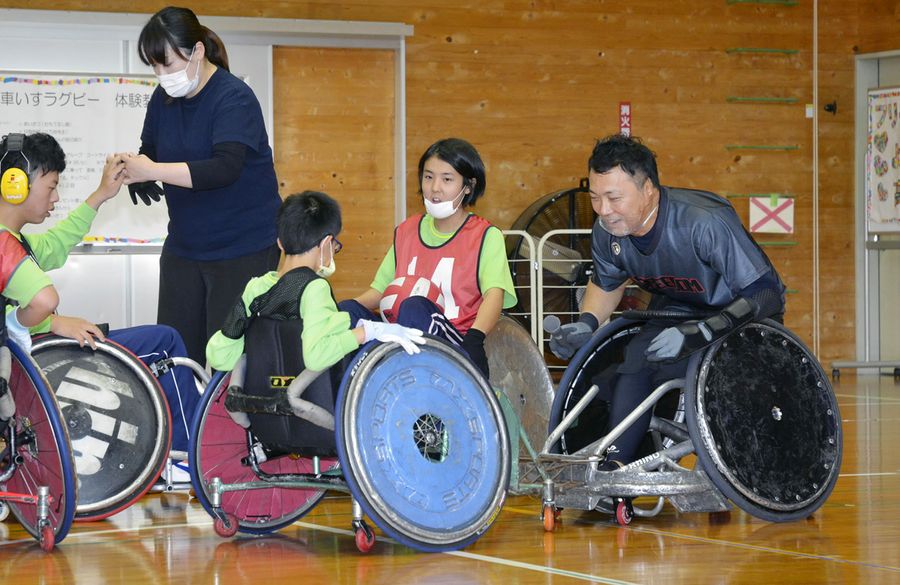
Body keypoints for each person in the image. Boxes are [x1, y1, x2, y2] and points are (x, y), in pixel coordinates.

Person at [549, 134, 786, 469]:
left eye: (614, 198)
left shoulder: (703, 223)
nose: (603, 210)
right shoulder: (607, 232)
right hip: (677, 311)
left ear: (648, 190)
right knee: (636, 359)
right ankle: (615, 468)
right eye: (595, 198)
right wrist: (587, 323)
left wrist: (703, 331)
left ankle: (722, 464)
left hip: (739, 317)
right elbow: (606, 284)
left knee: (705, 368)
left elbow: (766, 293)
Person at [0, 132, 200, 457]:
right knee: (164, 344)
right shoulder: (4, 245)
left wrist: (101, 195)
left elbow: (55, 244)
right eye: (51, 186)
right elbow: (43, 302)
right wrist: (52, 322)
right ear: (16, 185)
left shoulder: (15, 241)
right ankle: (189, 456)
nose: (55, 198)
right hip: (37, 364)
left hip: (30, 360)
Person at [122, 6, 281, 365]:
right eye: (155, 66)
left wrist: (155, 169)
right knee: (176, 355)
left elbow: (223, 169)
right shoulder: (162, 100)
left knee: (230, 359)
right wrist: (137, 170)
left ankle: (228, 423)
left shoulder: (233, 97)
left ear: (197, 51)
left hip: (242, 249)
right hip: (185, 248)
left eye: (169, 64)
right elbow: (150, 149)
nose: (162, 75)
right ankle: (184, 421)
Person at [339, 138, 517, 378]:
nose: (435, 188)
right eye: (428, 177)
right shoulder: (406, 230)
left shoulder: (485, 235)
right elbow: (379, 292)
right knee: (348, 311)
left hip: (455, 341)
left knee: (414, 306)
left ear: (468, 186)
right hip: (400, 335)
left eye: (447, 179)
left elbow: (494, 296)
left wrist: (475, 339)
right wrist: (339, 314)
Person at [206, 190, 424, 376]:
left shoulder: (256, 288)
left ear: (280, 243)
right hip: (310, 412)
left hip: (263, 412)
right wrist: (368, 331)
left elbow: (219, 357)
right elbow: (316, 357)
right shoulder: (313, 288)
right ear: (328, 243)